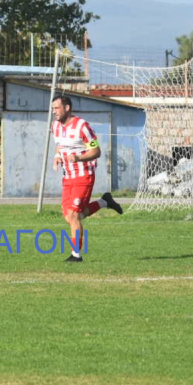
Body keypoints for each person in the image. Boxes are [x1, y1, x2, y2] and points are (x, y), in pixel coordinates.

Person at [51, 93, 123, 262]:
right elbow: (59, 146)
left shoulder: (82, 126)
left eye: (57, 108)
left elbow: (96, 151)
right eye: (53, 108)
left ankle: (76, 254)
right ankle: (105, 202)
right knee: (70, 216)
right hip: (68, 177)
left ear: (67, 108)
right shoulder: (56, 126)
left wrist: (78, 158)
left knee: (74, 215)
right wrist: (57, 157)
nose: (54, 111)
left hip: (84, 175)